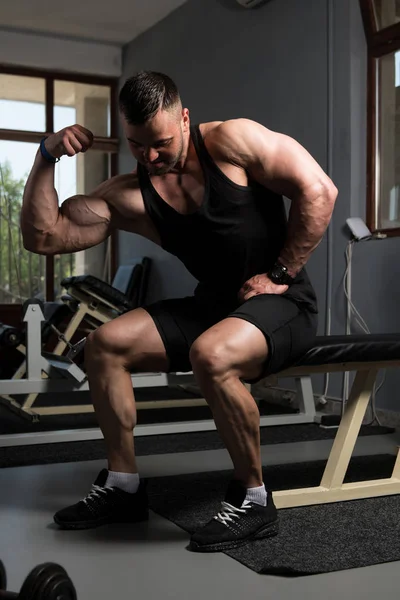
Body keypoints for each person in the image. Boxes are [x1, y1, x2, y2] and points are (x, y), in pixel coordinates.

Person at [21, 71, 337, 553]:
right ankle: (123, 486)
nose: (149, 157)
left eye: (160, 143)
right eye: (136, 145)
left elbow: (319, 191)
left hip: (281, 303)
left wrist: (280, 273)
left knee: (209, 354)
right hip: (212, 306)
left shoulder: (233, 140)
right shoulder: (129, 195)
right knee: (106, 345)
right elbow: (42, 237)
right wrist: (46, 156)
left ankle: (253, 499)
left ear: (184, 119)